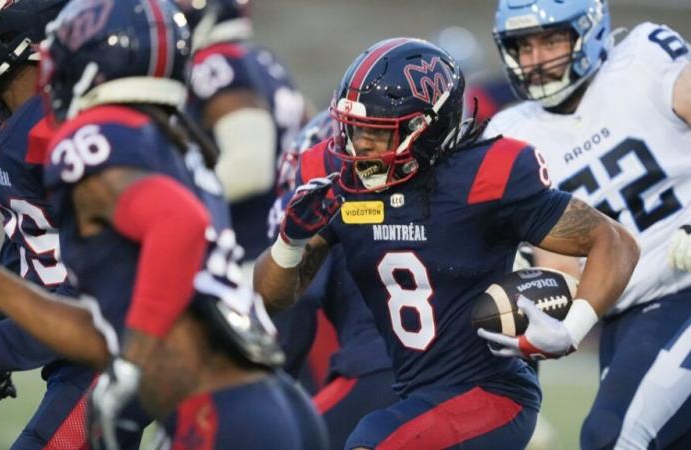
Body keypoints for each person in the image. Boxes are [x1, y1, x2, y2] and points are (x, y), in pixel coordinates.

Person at [253, 37, 639, 450]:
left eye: (377, 132)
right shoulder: (337, 176)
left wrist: (572, 329)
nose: (359, 144)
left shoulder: (484, 176)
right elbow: (273, 298)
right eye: (353, 128)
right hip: (415, 392)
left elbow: (614, 242)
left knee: (372, 440)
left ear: (426, 128)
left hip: (492, 394)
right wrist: (290, 242)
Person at [0, 0, 328, 449]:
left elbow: (179, 224)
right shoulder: (160, 139)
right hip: (250, 400)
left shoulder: (97, 138)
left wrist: (132, 360)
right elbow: (104, 322)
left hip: (220, 411)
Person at [485, 0, 691, 448]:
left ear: (589, 30)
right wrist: (539, 302)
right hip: (627, 317)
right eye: (524, 45)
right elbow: (562, 267)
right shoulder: (511, 134)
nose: (537, 60)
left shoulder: (643, 59)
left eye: (551, 40)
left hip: (684, 289)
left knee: (614, 437)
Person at [0, 1, 147, 448]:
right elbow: (30, 238)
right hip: (69, 329)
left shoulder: (71, 134)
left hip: (109, 343)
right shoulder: (7, 110)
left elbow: (94, 298)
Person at [270, 111, 398, 450]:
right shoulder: (422, 199)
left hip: (376, 371)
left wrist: (275, 390)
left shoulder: (323, 200)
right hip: (452, 381)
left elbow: (296, 302)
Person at [178, 0, 308, 269]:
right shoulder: (261, 58)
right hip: (287, 247)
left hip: (250, 254)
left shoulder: (216, 64)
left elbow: (249, 169)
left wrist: (167, 204)